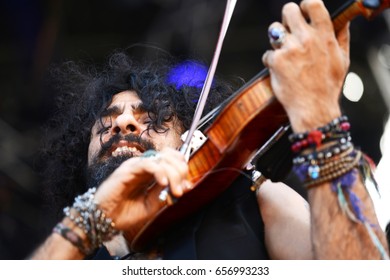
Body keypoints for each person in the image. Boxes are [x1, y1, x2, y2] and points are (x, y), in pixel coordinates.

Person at [31, 0, 388, 260]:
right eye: (106, 122)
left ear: (190, 138)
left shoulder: (250, 200)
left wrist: (319, 115)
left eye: (151, 116)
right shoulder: (73, 250)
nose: (123, 123)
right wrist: (88, 221)